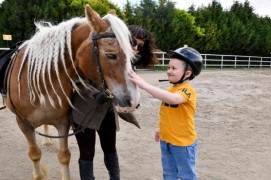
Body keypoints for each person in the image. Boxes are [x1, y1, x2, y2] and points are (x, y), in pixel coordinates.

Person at [71, 21, 158, 180]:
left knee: (110, 148)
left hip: (107, 111)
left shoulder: (125, 61)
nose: (136, 49)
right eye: (133, 43)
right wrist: (96, 94)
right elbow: (76, 78)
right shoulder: (95, 51)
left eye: (140, 46)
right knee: (87, 152)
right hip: (84, 109)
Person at [129, 46, 203, 180]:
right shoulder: (170, 89)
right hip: (166, 141)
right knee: (169, 174)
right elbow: (168, 113)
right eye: (169, 67)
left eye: (174, 69)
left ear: (187, 74)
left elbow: (174, 100)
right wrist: (161, 129)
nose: (169, 71)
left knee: (187, 175)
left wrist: (143, 84)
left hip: (182, 144)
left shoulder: (187, 91)